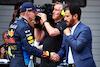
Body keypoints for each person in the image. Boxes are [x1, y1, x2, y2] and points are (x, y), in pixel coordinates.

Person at [6, 2, 54, 67]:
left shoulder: (13, 25)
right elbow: (30, 49)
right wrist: (48, 54)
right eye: (34, 12)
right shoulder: (24, 27)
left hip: (14, 61)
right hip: (22, 63)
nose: (36, 14)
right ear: (27, 12)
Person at [34, 2, 67, 67]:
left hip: (55, 58)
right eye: (53, 9)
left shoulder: (64, 23)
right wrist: (36, 24)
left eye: (56, 10)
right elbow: (38, 38)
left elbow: (52, 33)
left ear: (63, 12)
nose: (53, 12)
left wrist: (45, 20)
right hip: (45, 57)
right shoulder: (50, 23)